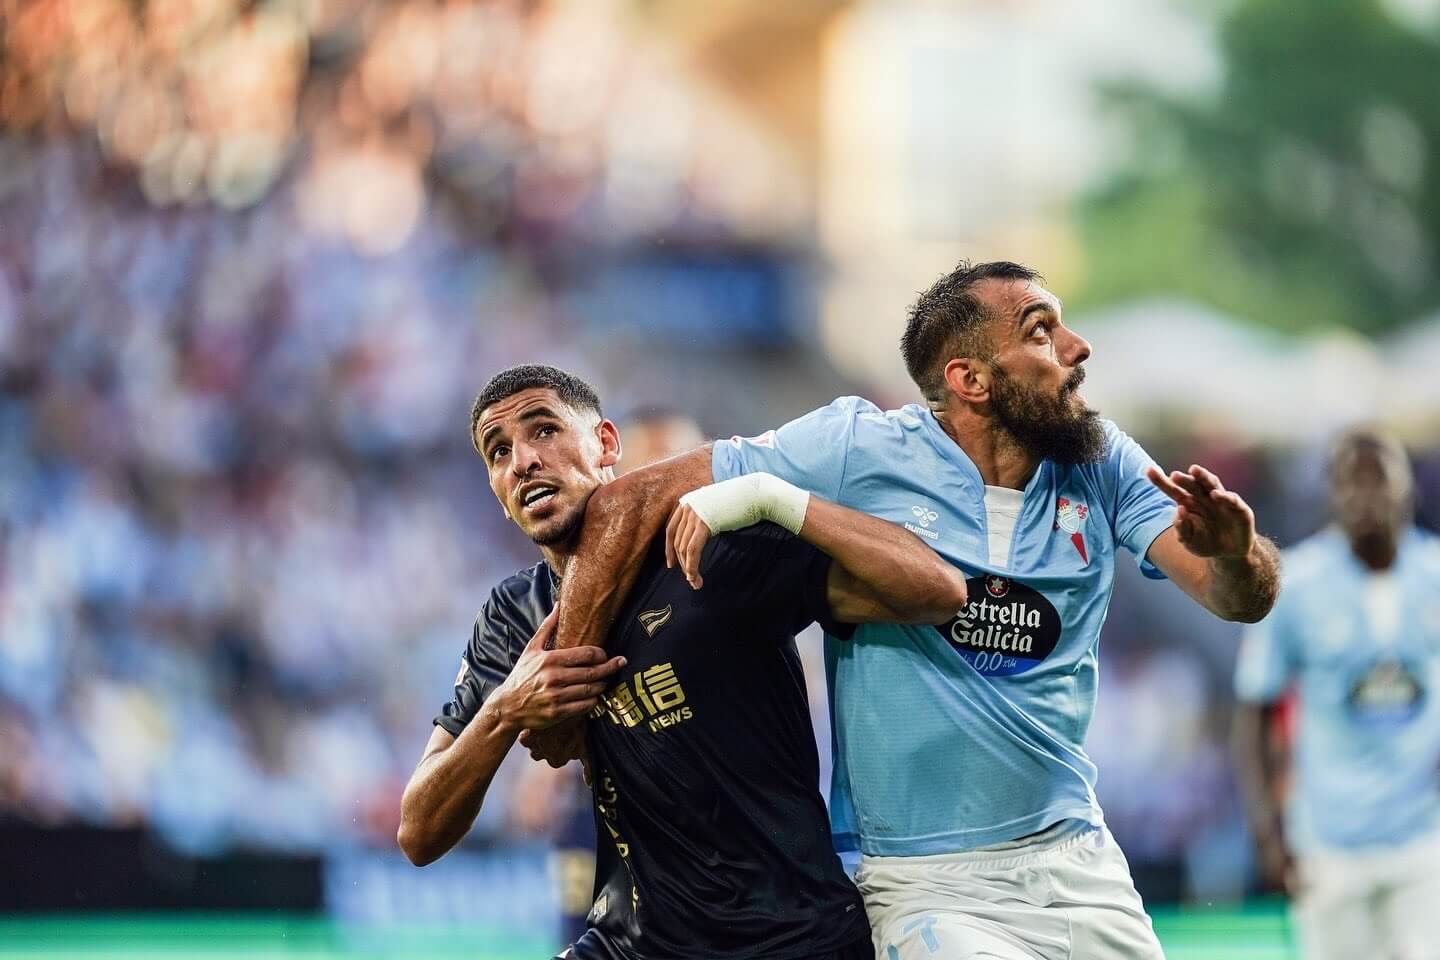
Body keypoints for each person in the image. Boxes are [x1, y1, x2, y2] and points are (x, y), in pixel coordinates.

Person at [536, 260, 1281, 959]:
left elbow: (1235, 599)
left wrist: (1235, 554)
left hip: (1077, 857)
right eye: (1041, 331)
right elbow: (626, 501)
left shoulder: (1102, 462)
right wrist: (569, 683)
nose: (1077, 348)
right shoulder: (856, 446)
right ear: (969, 379)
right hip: (920, 881)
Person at [396, 365, 970, 960]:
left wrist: (777, 499)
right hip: (633, 943)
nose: (523, 461)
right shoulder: (514, 614)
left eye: (544, 430)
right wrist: (505, 710)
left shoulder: (713, 550)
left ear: (606, 444)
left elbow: (938, 591)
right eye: (498, 451)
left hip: (791, 935)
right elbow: (418, 832)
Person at [1233, 428, 1440, 960]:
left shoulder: (1435, 574)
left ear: (1408, 487)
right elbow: (1256, 709)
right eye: (1351, 482)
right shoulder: (1296, 583)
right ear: (1331, 494)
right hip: (1328, 843)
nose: (1366, 495)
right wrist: (1268, 835)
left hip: (1423, 842)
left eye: (1379, 479)